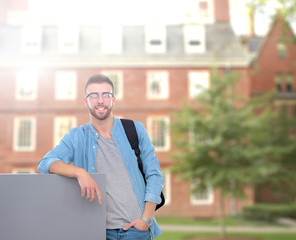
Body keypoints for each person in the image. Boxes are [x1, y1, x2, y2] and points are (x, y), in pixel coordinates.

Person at [38, 73, 163, 239]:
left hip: (136, 230)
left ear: (113, 99)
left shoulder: (135, 129)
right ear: (86, 101)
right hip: (97, 231)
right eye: (94, 95)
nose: (100, 100)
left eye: (106, 95)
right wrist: (79, 172)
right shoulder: (76, 136)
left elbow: (154, 175)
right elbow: (45, 164)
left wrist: (146, 219)